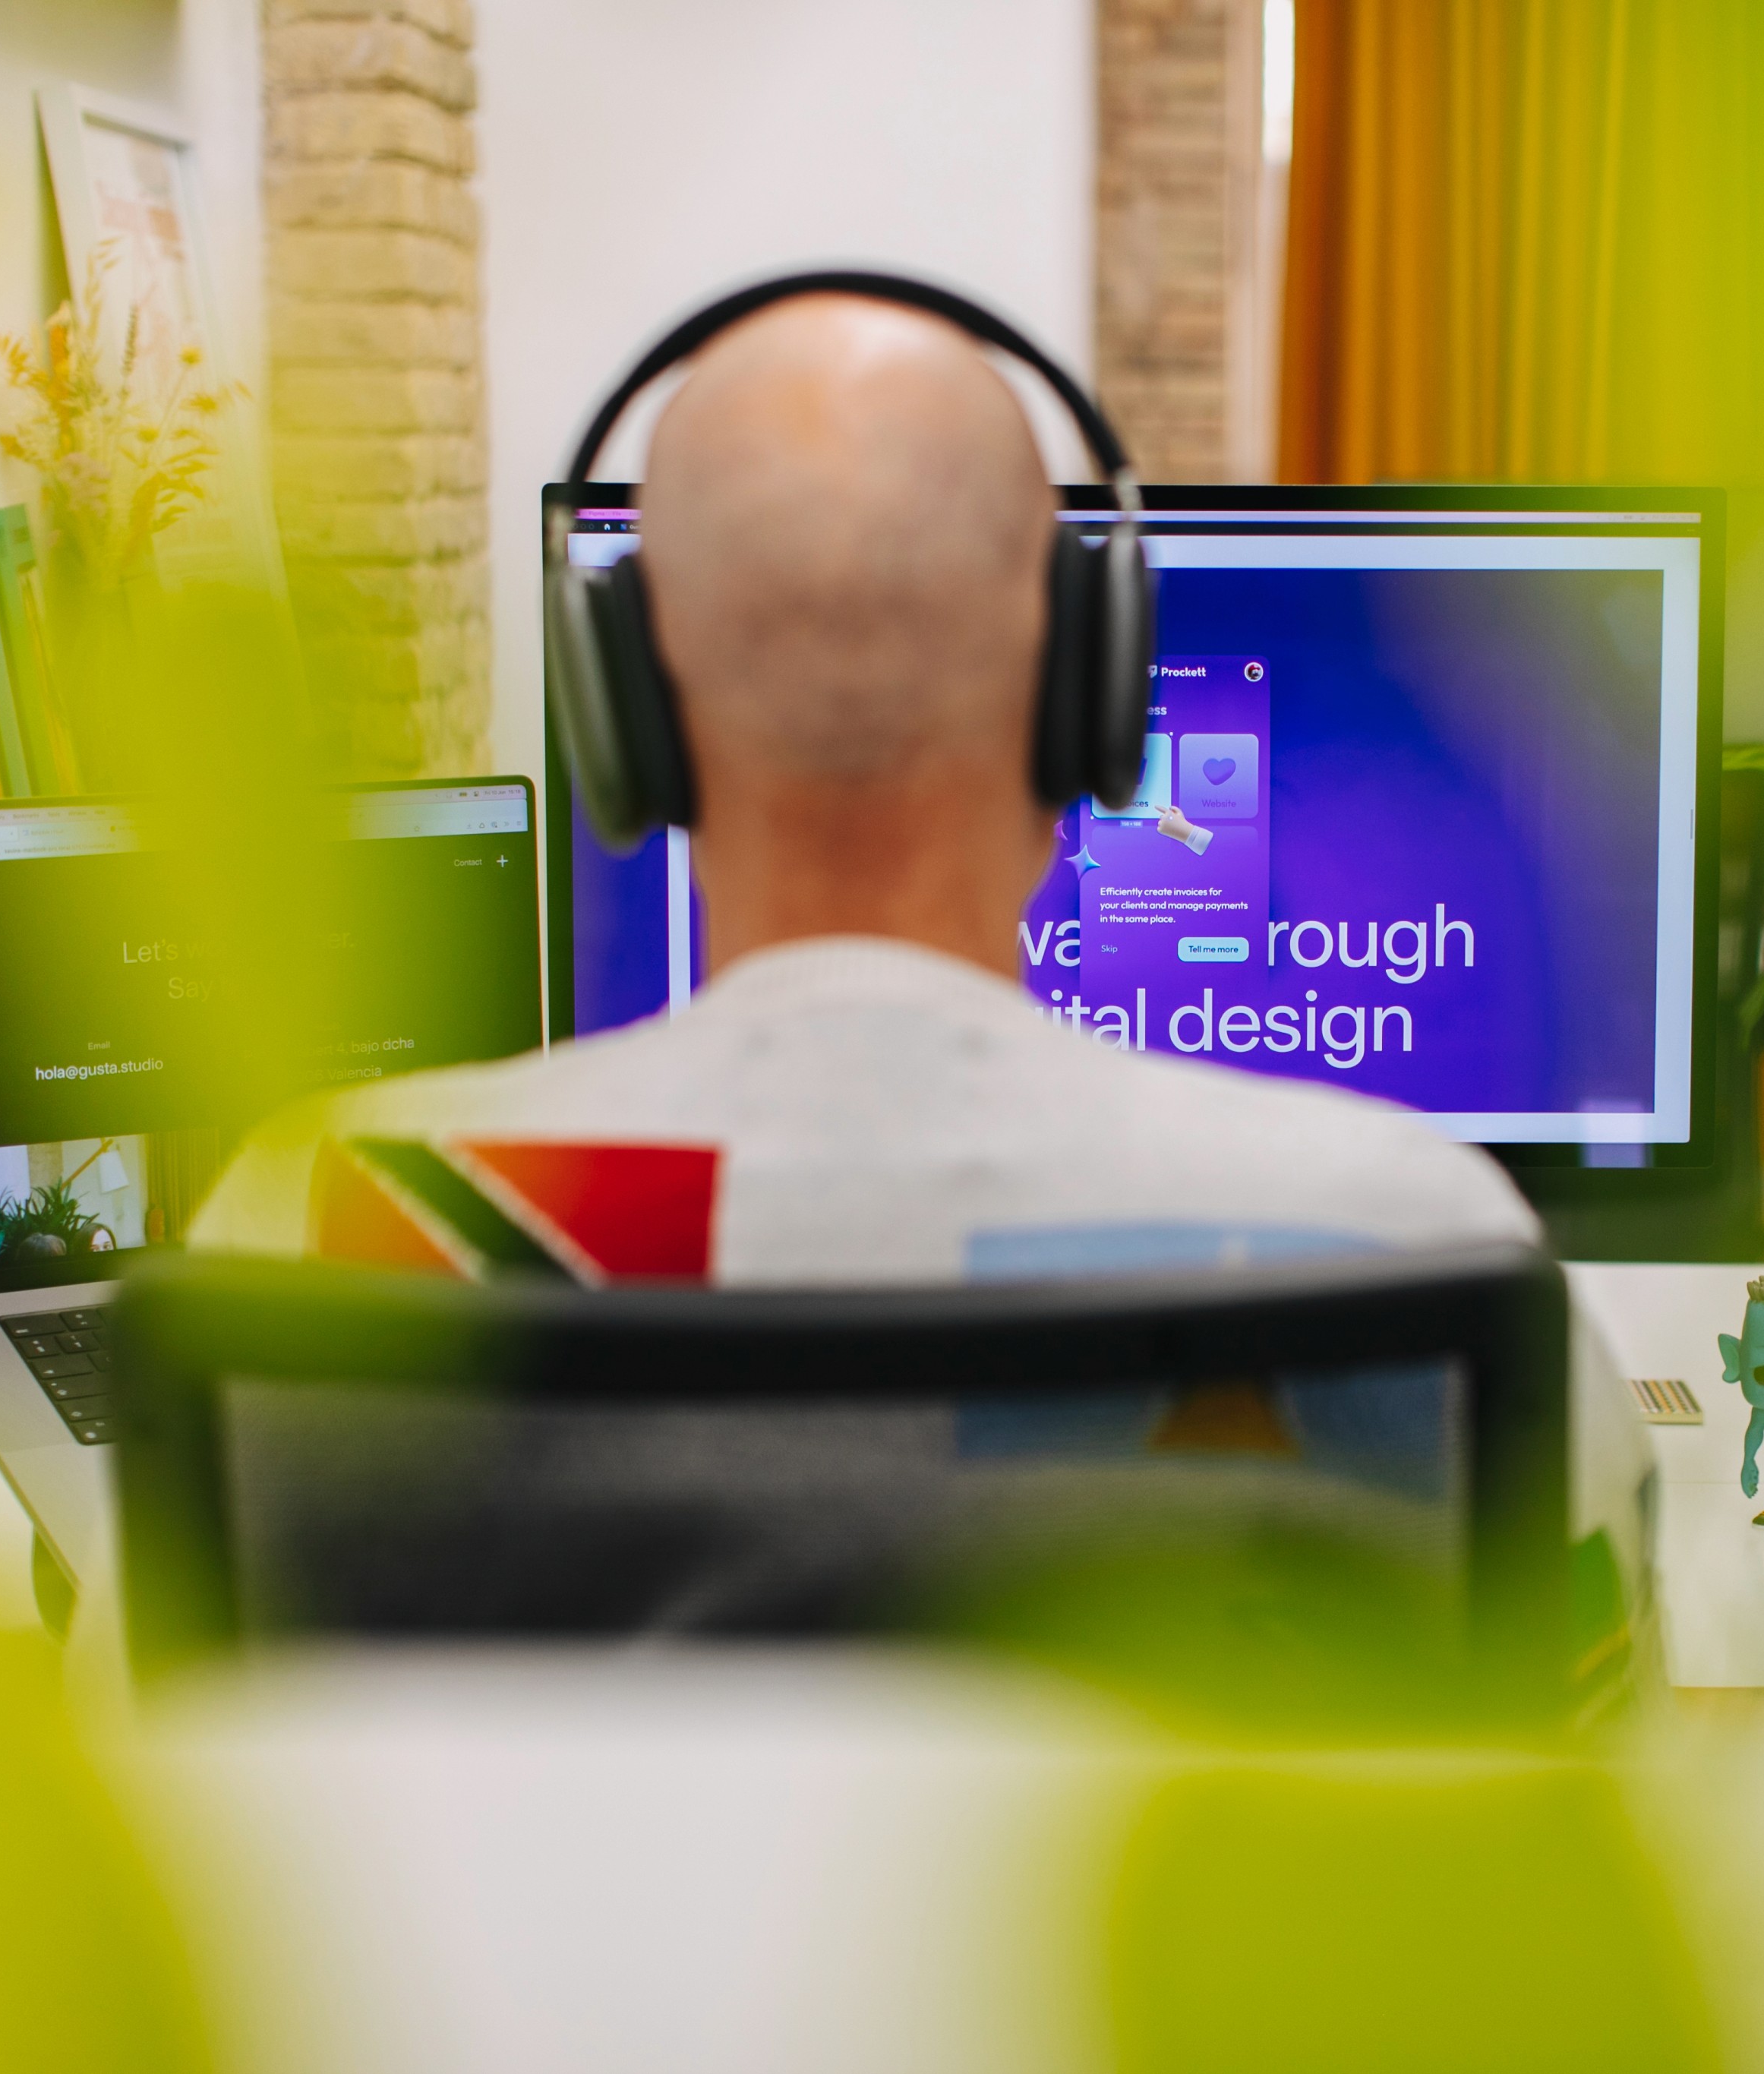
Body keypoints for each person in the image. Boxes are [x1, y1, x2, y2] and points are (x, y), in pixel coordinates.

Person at [188, 292, 1652, 1669]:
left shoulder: (325, 1221)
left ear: (621, 708)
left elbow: (170, 1802)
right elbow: (1599, 1771)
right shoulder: (1412, 1235)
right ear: (1092, 692)